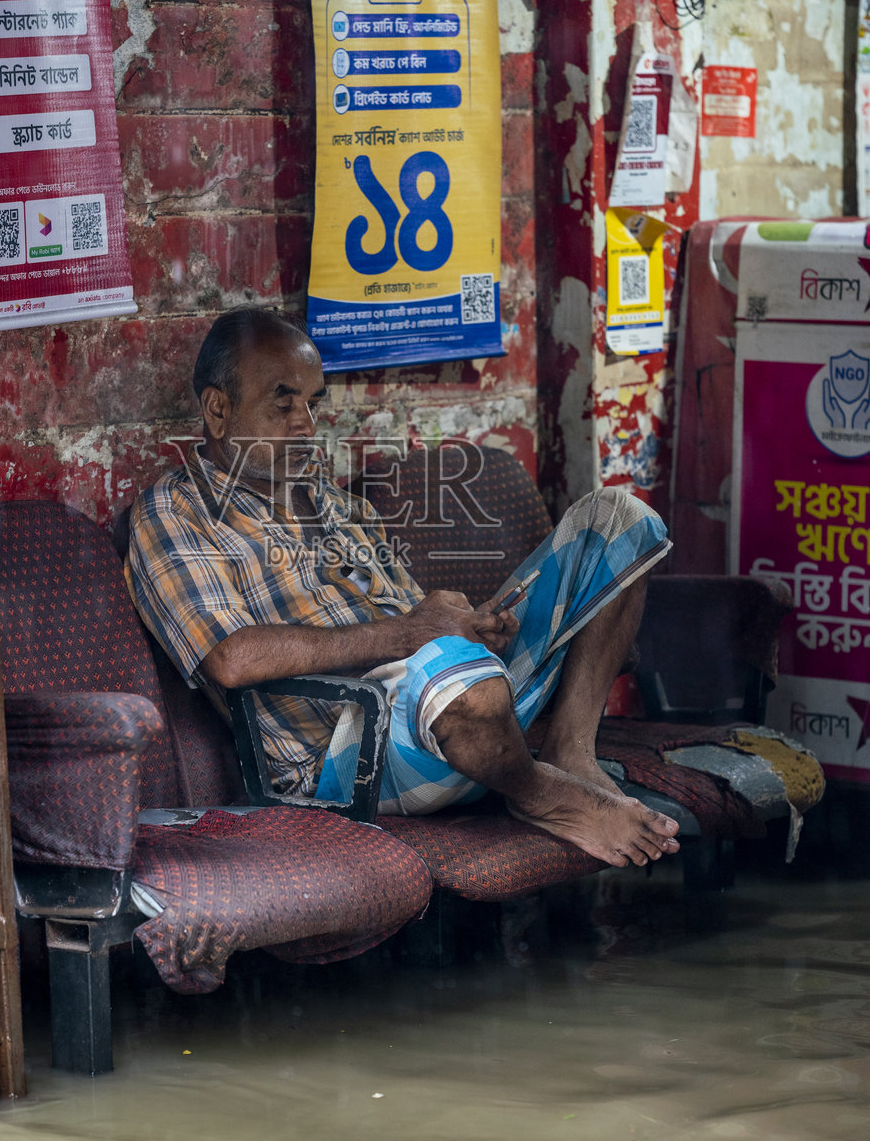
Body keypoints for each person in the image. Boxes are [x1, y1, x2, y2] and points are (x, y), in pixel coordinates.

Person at [127, 307, 680, 869]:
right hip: (347, 754)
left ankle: (571, 752)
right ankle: (544, 794)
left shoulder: (336, 502)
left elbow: (414, 628)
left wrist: (471, 626)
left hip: (443, 705)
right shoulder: (174, 511)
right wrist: (413, 634)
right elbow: (230, 658)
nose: (306, 424)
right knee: (463, 686)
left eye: (313, 403)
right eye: (283, 401)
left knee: (617, 518)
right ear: (218, 410)